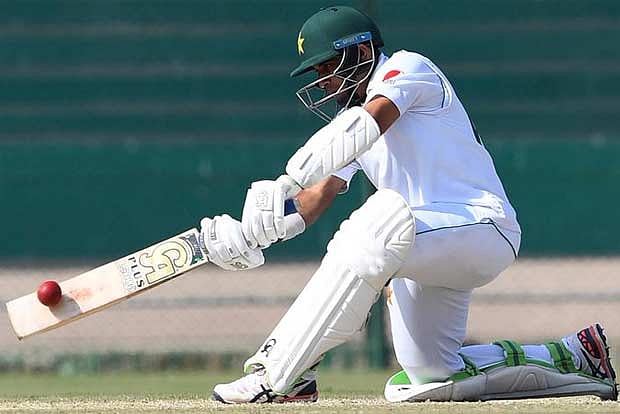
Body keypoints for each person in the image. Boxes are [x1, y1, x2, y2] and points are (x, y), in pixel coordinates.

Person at [199, 6, 617, 403]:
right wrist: (250, 232)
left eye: (328, 66)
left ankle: (281, 375)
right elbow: (312, 201)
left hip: (481, 227)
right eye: (318, 72)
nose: (323, 81)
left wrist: (287, 178)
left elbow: (368, 123)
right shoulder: (349, 124)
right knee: (428, 376)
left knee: (378, 220)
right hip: (421, 245)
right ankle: (576, 356)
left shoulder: (408, 69)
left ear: (361, 51)